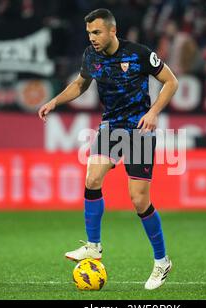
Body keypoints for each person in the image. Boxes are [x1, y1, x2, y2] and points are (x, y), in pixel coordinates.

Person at [38, 8, 178, 290]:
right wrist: (55, 101)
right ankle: (93, 246)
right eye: (89, 33)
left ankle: (162, 261)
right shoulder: (91, 56)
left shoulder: (138, 53)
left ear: (112, 31)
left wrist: (153, 113)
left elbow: (171, 81)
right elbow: (80, 84)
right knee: (92, 179)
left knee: (138, 200)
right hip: (111, 127)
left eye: (97, 32)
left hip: (139, 128)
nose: (92, 38)